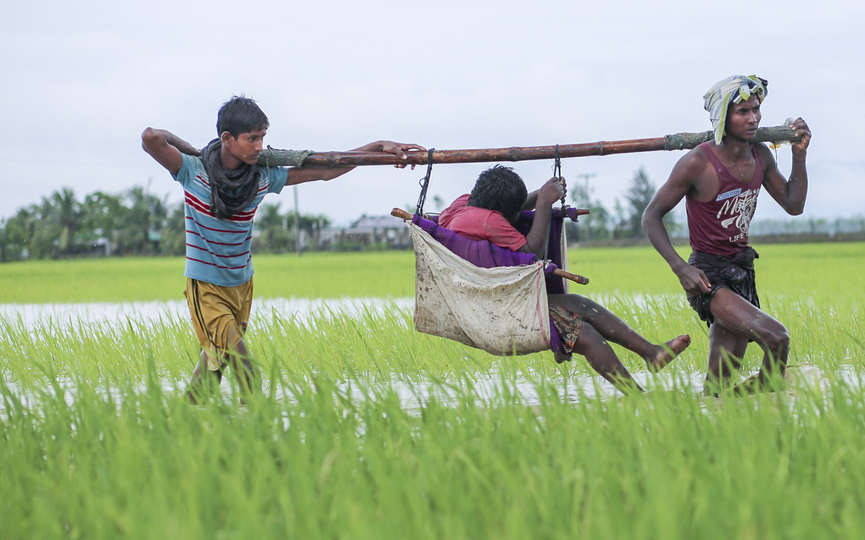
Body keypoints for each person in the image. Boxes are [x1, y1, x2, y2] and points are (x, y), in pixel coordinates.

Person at [142, 95, 425, 403]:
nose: (259, 146)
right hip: (206, 287)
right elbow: (151, 137)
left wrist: (376, 146)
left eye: (262, 137)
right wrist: (194, 150)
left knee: (214, 366)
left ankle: (182, 420)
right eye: (251, 138)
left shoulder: (262, 177)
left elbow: (326, 169)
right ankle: (260, 431)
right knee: (244, 366)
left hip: (241, 285)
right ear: (226, 138)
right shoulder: (192, 171)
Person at [440, 165, 691, 394]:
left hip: (489, 302)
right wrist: (545, 206)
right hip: (503, 316)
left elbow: (510, 210)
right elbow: (532, 253)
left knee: (578, 303)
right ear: (500, 213)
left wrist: (540, 195)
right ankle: (639, 397)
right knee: (586, 334)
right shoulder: (489, 221)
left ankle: (651, 353)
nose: (517, 216)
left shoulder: (462, 206)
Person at [641, 75, 812, 395]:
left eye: (756, 110)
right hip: (709, 276)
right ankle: (762, 391)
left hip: (743, 271)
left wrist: (798, 156)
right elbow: (651, 216)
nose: (753, 118)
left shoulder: (760, 154)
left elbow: (794, 204)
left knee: (717, 385)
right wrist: (682, 269)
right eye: (743, 112)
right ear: (723, 116)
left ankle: (717, 415)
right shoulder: (697, 163)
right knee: (777, 337)